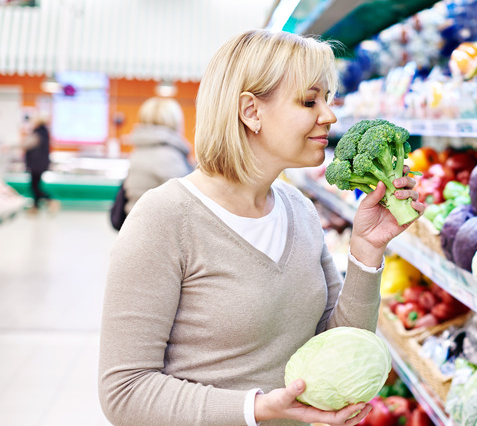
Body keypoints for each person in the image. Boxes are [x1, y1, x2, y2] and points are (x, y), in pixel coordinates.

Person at [98, 29, 423, 426]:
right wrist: (257, 409)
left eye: (328, 99)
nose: (329, 116)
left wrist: (366, 251)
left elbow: (336, 346)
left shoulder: (300, 210)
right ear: (251, 111)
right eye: (309, 101)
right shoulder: (165, 218)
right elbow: (125, 391)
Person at [123, 97, 193, 216]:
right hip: (158, 227)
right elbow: (185, 201)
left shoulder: (139, 150)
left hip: (136, 222)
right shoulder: (169, 157)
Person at [21, 113, 59, 214]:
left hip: (36, 164)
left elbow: (27, 144)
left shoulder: (38, 133)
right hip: (40, 164)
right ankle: (36, 208)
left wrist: (9, 147)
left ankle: (50, 200)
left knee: (34, 187)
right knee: (35, 186)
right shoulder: (44, 132)